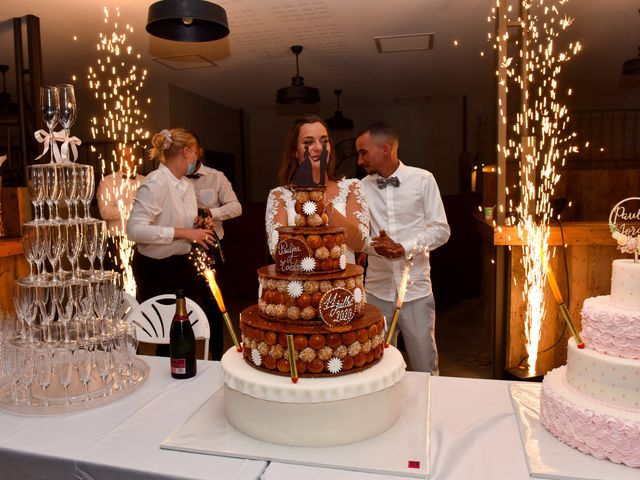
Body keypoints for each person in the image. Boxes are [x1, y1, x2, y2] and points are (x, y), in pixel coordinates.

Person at [356, 122, 450, 374]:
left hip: (416, 290)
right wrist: (376, 248)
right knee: (376, 365)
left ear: (385, 149)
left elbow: (441, 229)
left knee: (425, 366)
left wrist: (403, 247)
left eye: (364, 152)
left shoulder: (423, 180)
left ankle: (429, 411)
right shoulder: (360, 189)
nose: (359, 159)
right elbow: (358, 236)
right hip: (376, 292)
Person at [126, 127, 217, 356]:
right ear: (187, 153)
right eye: (196, 153)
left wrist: (198, 224)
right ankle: (170, 379)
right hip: (155, 269)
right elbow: (134, 230)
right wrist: (185, 233)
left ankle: (203, 368)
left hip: (180, 264)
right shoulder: (156, 182)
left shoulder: (185, 184)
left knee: (200, 317)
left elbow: (181, 222)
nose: (197, 159)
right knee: (166, 334)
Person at [266, 114, 368, 261]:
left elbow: (360, 243)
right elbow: (278, 253)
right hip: (299, 282)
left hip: (344, 283)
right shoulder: (279, 196)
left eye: (324, 141)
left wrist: (322, 204)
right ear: (294, 152)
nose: (319, 148)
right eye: (308, 142)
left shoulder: (352, 187)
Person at [186, 140, 242, 360]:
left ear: (200, 151)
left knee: (213, 302)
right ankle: (182, 354)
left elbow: (236, 207)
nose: (188, 154)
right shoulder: (173, 179)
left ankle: (217, 356)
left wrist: (211, 213)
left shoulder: (216, 177)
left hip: (209, 246)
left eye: (191, 148)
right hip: (179, 247)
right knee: (182, 302)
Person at [97, 144, 145, 272]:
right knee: (120, 282)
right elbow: (105, 212)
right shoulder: (107, 181)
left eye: (131, 156)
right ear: (118, 159)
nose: (128, 159)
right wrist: (136, 207)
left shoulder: (145, 181)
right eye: (124, 156)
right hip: (117, 240)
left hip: (142, 239)